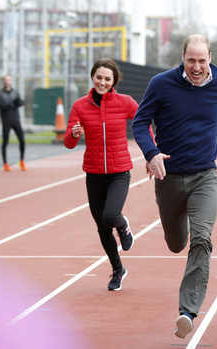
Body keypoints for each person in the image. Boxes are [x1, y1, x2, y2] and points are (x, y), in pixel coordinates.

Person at [131, 34, 217, 340]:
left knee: (201, 239)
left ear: (210, 59)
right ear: (182, 57)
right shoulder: (161, 84)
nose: (197, 67)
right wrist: (151, 154)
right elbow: (140, 122)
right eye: (191, 60)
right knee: (177, 243)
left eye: (202, 60)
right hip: (169, 178)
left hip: (204, 176)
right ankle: (181, 224)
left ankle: (187, 311)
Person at [64, 58, 136, 291]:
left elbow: (143, 122)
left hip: (119, 171)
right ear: (92, 77)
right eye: (99, 77)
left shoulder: (125, 102)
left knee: (110, 215)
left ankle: (123, 225)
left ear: (114, 81)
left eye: (107, 79)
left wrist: (152, 151)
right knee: (102, 227)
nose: (102, 82)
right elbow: (68, 143)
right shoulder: (80, 106)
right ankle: (118, 270)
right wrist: (75, 134)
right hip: (94, 173)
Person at [0, 74, 26, 172]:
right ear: (3, 81)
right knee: (5, 141)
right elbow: (2, 106)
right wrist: (12, 104)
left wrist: (16, 103)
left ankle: (21, 161)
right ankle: (5, 163)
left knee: (22, 140)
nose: (7, 81)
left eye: (8, 80)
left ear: (11, 81)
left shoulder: (15, 92)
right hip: (6, 120)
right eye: (5, 80)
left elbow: (21, 102)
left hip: (16, 120)